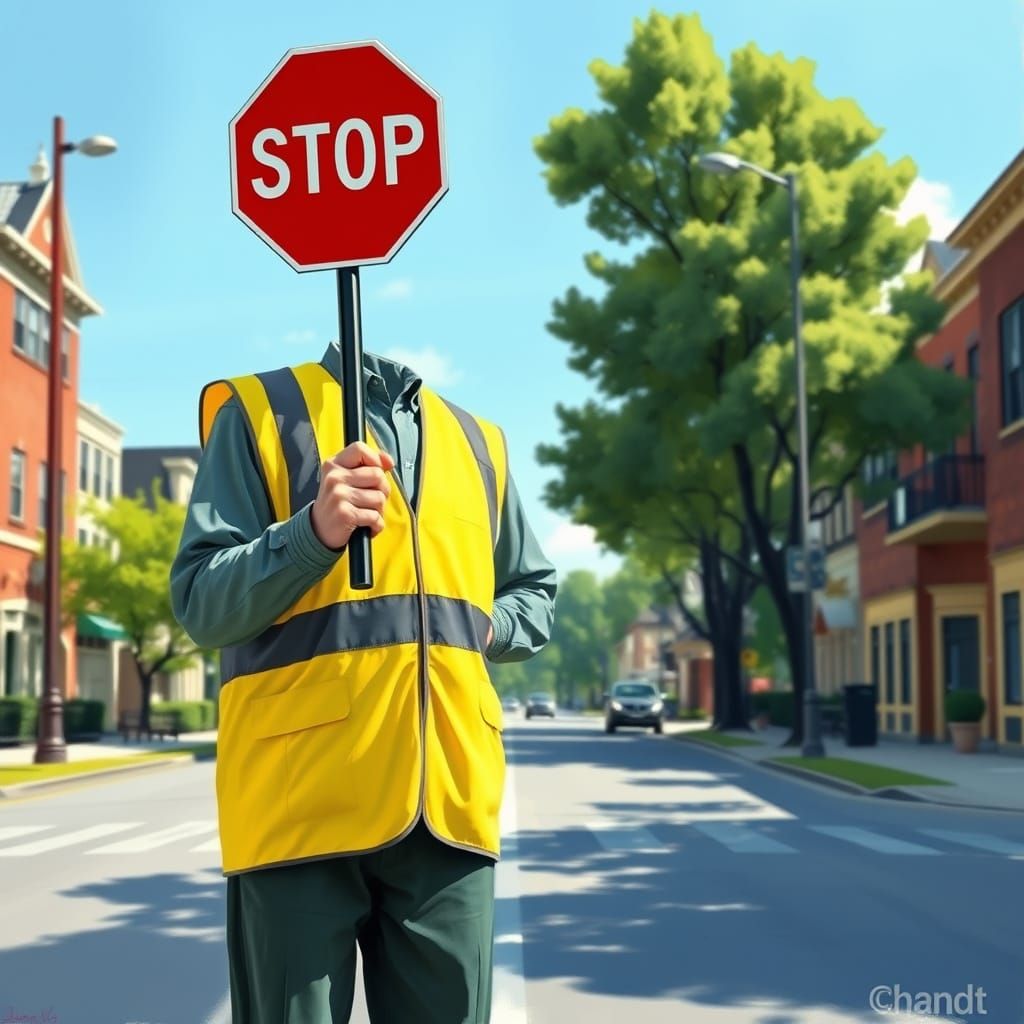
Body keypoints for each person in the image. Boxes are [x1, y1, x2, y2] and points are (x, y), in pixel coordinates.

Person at [169, 341, 556, 1023]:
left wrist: (488, 627)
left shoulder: (479, 442)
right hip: (300, 804)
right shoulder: (262, 413)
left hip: (448, 803)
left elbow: (533, 591)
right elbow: (201, 602)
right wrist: (311, 533)